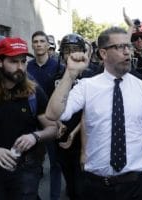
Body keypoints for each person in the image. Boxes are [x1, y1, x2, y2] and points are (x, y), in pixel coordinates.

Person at [45, 26, 142, 200]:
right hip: (96, 187)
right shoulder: (86, 86)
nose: (127, 52)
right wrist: (70, 74)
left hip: (137, 186)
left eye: (128, 46)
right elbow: (53, 114)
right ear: (103, 53)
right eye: (119, 47)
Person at [0, 37, 57, 200]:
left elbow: (53, 128)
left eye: (23, 61)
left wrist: (35, 136)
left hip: (27, 169)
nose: (20, 67)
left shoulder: (34, 92)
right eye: (13, 62)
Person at [27, 30, 63, 200]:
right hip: (32, 122)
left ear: (48, 45)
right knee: (33, 164)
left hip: (53, 121)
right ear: (32, 45)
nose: (39, 44)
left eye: (42, 41)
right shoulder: (27, 67)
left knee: (55, 164)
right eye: (36, 41)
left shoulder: (58, 68)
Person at [54, 33, 87, 200]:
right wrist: (58, 123)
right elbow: (52, 106)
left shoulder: (91, 75)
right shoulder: (56, 75)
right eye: (67, 50)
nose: (71, 54)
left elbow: (92, 112)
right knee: (71, 187)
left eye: (75, 50)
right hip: (62, 139)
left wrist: (74, 133)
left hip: (84, 141)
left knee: (83, 188)